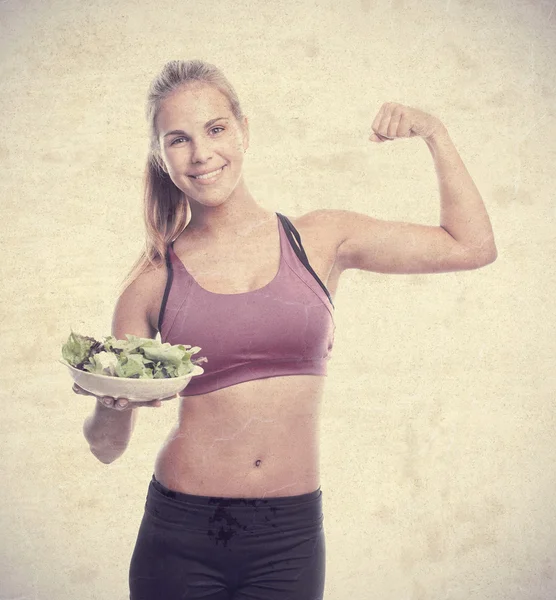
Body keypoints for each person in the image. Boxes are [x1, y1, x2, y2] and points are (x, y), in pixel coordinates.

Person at [73, 59, 497, 600]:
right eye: (178, 139)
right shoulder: (152, 281)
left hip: (289, 538)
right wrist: (110, 401)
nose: (202, 154)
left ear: (244, 131)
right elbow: (107, 449)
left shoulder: (321, 239)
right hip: (180, 533)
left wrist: (435, 132)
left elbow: (472, 246)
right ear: (161, 156)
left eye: (216, 129)